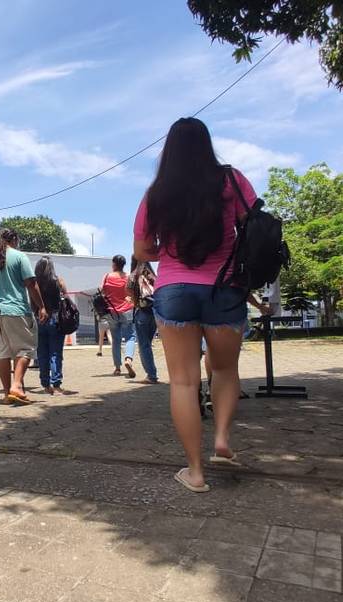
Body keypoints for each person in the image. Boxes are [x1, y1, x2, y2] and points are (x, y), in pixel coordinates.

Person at [133, 117, 256, 493]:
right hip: (225, 287)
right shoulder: (231, 180)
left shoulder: (157, 192)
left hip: (174, 289)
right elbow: (252, 225)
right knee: (224, 370)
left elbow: (142, 250)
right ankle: (221, 438)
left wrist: (168, 250)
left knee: (183, 382)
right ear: (207, 143)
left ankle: (196, 472)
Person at [0, 228, 47, 405]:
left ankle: (7, 394)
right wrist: (41, 306)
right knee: (25, 348)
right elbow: (31, 283)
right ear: (14, 239)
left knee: (3, 352)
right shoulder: (19, 256)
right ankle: (16, 386)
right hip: (17, 310)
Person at [34, 256, 68, 394]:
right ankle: (56, 383)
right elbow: (65, 297)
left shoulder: (34, 282)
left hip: (40, 319)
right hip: (55, 318)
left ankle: (45, 384)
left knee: (42, 353)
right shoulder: (58, 280)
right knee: (55, 353)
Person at [100, 255, 136, 377]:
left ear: (114, 264)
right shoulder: (128, 278)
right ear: (123, 264)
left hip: (111, 312)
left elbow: (102, 291)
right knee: (130, 337)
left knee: (116, 340)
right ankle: (128, 359)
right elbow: (132, 293)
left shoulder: (107, 277)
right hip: (127, 310)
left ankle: (117, 368)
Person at [128, 257, 158, 384]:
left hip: (142, 313)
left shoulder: (134, 275)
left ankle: (151, 375)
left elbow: (131, 294)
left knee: (144, 346)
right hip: (155, 312)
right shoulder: (152, 275)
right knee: (148, 344)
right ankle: (152, 374)